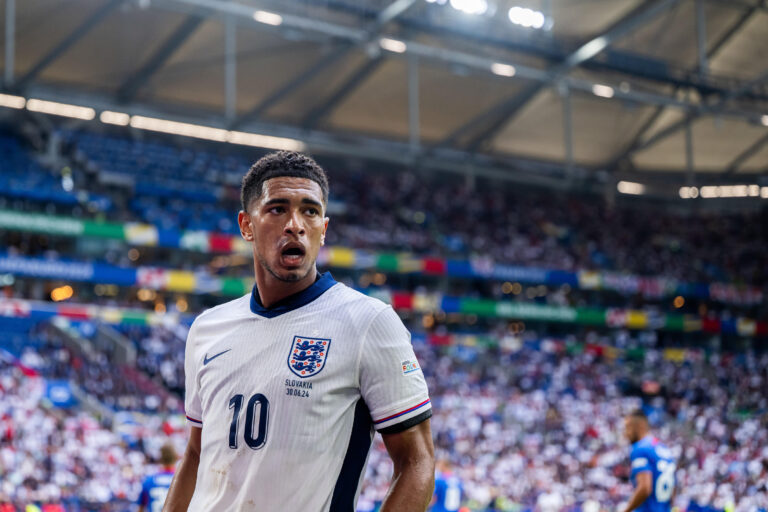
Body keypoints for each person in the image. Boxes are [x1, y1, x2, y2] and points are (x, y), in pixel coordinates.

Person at [164, 151, 434, 511]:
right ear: (246, 225)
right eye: (277, 209)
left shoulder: (368, 321)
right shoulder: (207, 328)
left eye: (310, 210)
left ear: (323, 228)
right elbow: (196, 455)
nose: (295, 224)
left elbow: (417, 462)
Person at [622, 409, 676, 512]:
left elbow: (645, 488)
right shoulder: (664, 450)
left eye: (628, 427)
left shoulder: (640, 448)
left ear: (640, 426)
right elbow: (673, 490)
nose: (626, 433)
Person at [138, 444, 178, 512]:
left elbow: (141, 508)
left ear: (160, 459)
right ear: (176, 457)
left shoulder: (149, 481)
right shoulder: (182, 481)